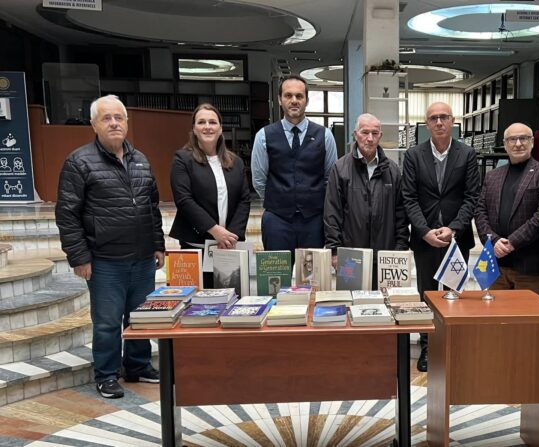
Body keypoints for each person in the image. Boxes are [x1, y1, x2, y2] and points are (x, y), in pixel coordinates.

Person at [55, 95, 165, 399]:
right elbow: (67, 214)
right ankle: (105, 373)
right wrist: (79, 256)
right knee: (106, 322)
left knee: (140, 318)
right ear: (94, 124)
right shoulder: (79, 162)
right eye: (107, 118)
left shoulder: (140, 159)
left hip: (142, 258)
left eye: (119, 117)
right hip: (104, 261)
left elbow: (152, 207)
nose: (114, 123)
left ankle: (138, 365)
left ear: (127, 122)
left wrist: (158, 244)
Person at [402, 102, 480, 372]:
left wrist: (454, 228)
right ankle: (428, 347)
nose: (439, 122)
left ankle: (450, 346)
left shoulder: (467, 154)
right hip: (425, 240)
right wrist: (423, 232)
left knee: (452, 295)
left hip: (456, 239)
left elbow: (472, 196)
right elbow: (409, 198)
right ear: (426, 123)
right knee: (426, 294)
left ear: (452, 121)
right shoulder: (413, 156)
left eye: (443, 117)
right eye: (433, 118)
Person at [251, 75, 337, 261]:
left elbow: (330, 178)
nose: (294, 101)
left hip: (314, 220)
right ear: (279, 100)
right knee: (278, 279)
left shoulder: (325, 136)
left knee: (313, 278)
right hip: (276, 220)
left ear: (306, 100)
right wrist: (278, 200)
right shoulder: (264, 136)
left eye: (299, 96)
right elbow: (259, 179)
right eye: (288, 95)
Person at [169, 103, 251, 287]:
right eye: (202, 122)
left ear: (221, 128)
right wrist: (215, 230)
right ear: (194, 129)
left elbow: (244, 199)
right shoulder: (182, 159)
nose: (207, 126)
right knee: (197, 308)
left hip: (229, 248)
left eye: (213, 122)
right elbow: (184, 200)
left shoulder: (235, 162)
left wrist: (232, 236)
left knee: (231, 303)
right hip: (196, 247)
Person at [323, 113, 409, 283]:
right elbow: (332, 213)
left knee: (384, 304)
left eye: (375, 133)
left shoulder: (392, 170)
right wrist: (334, 250)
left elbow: (401, 214)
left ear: (380, 136)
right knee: (352, 300)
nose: (370, 138)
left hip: (385, 256)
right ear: (355, 135)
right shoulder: (340, 169)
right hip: (350, 255)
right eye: (364, 132)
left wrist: (400, 248)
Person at [474, 122, 539, 297]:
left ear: (532, 142)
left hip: (529, 266)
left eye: (523, 138)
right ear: (505, 144)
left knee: (528, 322)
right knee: (496, 319)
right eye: (512, 139)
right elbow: (480, 212)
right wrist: (494, 241)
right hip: (495, 263)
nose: (518, 143)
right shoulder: (492, 176)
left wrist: (512, 242)